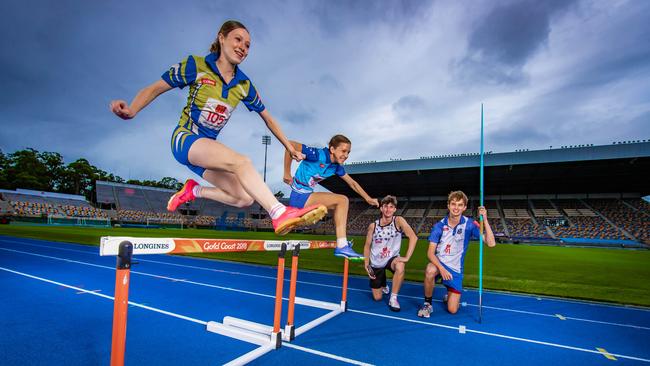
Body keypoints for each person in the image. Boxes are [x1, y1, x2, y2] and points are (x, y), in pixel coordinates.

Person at [109, 20, 326, 235]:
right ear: (221, 38)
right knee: (241, 162)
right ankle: (278, 212)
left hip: (206, 151)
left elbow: (268, 118)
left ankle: (194, 190)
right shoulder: (197, 65)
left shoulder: (244, 85)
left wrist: (288, 146)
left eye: (248, 45)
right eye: (238, 39)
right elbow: (156, 88)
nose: (243, 47)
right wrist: (132, 110)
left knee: (244, 198)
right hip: (186, 139)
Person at [283, 135, 379, 258]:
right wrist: (286, 173)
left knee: (338, 203)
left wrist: (368, 198)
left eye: (348, 152)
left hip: (306, 197)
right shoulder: (317, 154)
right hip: (299, 195)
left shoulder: (336, 167)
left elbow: (352, 183)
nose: (346, 155)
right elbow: (290, 144)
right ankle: (342, 245)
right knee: (342, 200)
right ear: (332, 149)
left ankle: (291, 219)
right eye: (343, 151)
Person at [417, 191, 496, 317]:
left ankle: (449, 293)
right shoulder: (439, 226)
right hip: (439, 264)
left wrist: (485, 219)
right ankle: (427, 304)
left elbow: (491, 243)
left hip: (455, 269)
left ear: (464, 207)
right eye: (453, 204)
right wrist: (441, 269)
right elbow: (430, 253)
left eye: (460, 205)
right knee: (430, 269)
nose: (456, 207)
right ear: (448, 205)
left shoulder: (469, 224)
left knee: (452, 310)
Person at [363, 195, 417, 312]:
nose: (388, 209)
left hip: (391, 259)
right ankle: (383, 285)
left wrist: (407, 257)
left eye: (391, 207)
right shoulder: (373, 226)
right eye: (385, 206)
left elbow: (413, 237)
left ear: (395, 209)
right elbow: (367, 246)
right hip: (376, 262)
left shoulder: (398, 220)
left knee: (400, 266)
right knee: (377, 298)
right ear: (381, 209)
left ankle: (393, 297)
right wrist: (366, 264)